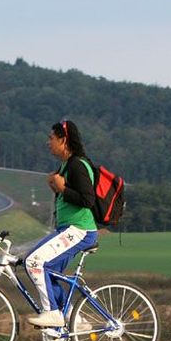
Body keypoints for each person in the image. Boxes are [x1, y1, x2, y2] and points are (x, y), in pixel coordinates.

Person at [25, 120, 98, 327]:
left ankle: (53, 313)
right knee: (47, 270)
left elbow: (87, 200)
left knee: (33, 261)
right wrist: (57, 187)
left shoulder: (77, 165)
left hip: (79, 230)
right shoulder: (66, 165)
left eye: (51, 138)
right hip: (68, 229)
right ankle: (76, 320)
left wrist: (63, 189)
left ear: (63, 140)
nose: (48, 142)